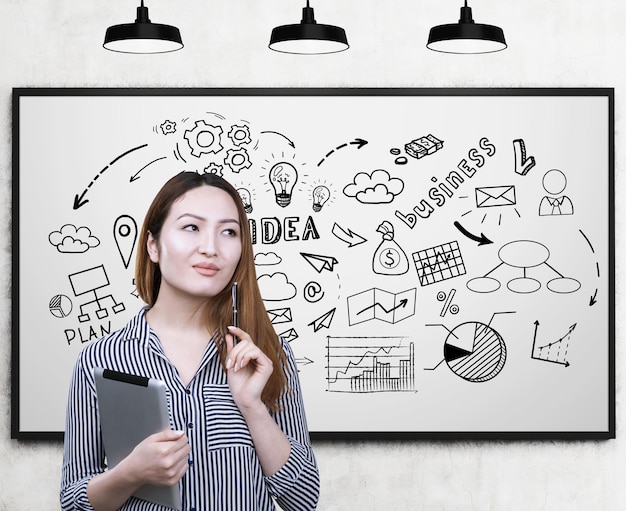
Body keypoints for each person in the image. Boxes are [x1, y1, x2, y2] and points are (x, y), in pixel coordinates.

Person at [61, 172, 320, 511]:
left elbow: (302, 501)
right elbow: (73, 502)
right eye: (191, 228)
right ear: (153, 246)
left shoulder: (269, 354)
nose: (210, 248)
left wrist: (252, 407)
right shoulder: (100, 358)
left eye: (228, 231)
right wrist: (130, 473)